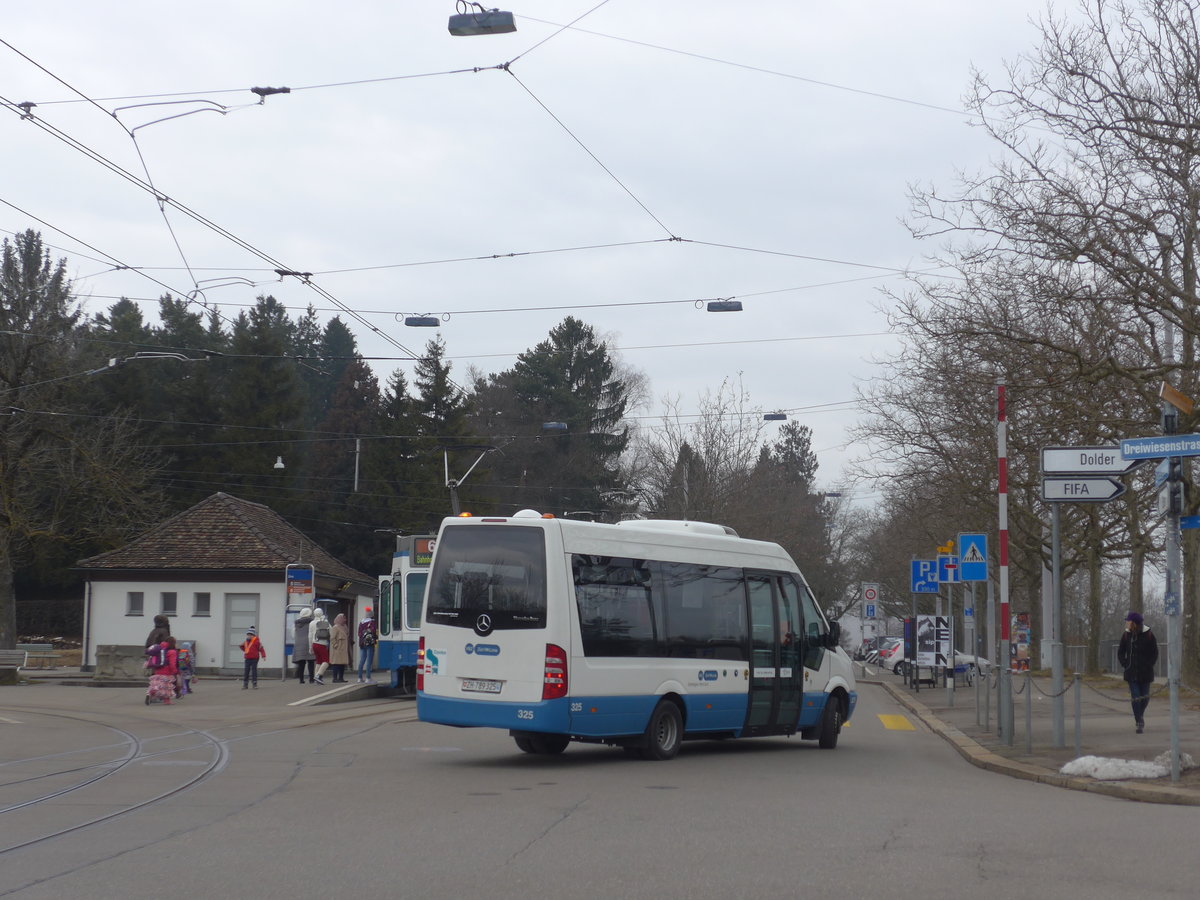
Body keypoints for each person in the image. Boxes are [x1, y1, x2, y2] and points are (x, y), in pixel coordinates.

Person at [1118, 610, 1159, 734]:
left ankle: (1139, 715)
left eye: (1128, 621)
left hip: (1145, 673)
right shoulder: (1126, 635)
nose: (1126, 623)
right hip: (1131, 672)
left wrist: (1149, 664)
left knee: (1145, 698)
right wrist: (1125, 664)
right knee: (1136, 697)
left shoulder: (1149, 634)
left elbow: (1155, 652)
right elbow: (1121, 652)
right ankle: (1139, 721)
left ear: (1134, 623)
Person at [146, 636, 178, 705]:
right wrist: (175, 671)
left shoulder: (160, 649)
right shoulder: (172, 652)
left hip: (158, 669)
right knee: (166, 686)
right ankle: (167, 701)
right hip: (167, 671)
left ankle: (151, 693)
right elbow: (172, 663)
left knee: (158, 684)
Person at [293, 607, 315, 683]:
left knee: (301, 663)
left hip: (299, 643)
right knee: (311, 662)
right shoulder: (311, 622)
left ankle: (301, 679)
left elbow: (293, 633)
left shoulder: (297, 623)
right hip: (309, 642)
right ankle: (311, 679)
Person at [310, 607, 331, 685]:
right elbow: (331, 632)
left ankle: (316, 679)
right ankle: (318, 676)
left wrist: (310, 647)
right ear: (322, 613)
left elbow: (310, 635)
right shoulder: (325, 622)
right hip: (322, 644)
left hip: (314, 644)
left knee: (318, 661)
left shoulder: (311, 623)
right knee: (326, 661)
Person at [357, 608, 378, 683]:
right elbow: (373, 632)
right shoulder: (372, 622)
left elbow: (359, 633)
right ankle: (368, 678)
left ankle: (359, 678)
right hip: (370, 643)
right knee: (369, 661)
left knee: (362, 660)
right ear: (372, 615)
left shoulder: (361, 622)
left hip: (362, 643)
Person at [330, 612, 350, 683]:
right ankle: (335, 678)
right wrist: (335, 645)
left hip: (343, 649)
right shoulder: (335, 627)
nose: (345, 620)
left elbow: (347, 634)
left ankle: (341, 678)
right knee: (336, 663)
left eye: (345, 618)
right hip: (337, 648)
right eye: (343, 618)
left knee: (342, 663)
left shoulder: (344, 627)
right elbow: (332, 638)